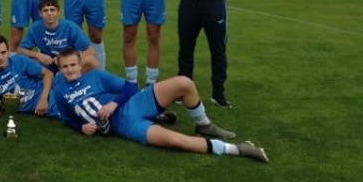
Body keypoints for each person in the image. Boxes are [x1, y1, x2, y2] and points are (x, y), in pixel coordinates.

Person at [51, 48, 268, 162]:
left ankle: (204, 124)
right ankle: (238, 149)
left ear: (80, 65)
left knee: (184, 83)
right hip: (125, 125)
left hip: (133, 103)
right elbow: (67, 118)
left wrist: (113, 104)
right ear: (60, 69)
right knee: (175, 141)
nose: (70, 69)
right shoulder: (60, 92)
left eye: (73, 65)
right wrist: (81, 127)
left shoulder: (97, 76)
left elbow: (130, 88)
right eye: (65, 66)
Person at [0, 35, 60, 123]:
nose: (0, 57)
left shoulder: (19, 60)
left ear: (8, 51)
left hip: (51, 93)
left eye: (3, 52)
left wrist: (43, 99)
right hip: (43, 107)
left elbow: (48, 73)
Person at [16, 0, 99, 73]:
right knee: (20, 61)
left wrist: (66, 58)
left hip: (68, 65)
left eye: (52, 10)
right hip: (48, 64)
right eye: (45, 10)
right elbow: (20, 50)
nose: (49, 13)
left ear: (58, 11)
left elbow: (90, 51)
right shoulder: (36, 28)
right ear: (40, 13)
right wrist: (38, 55)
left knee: (91, 61)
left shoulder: (70, 27)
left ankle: (75, 79)